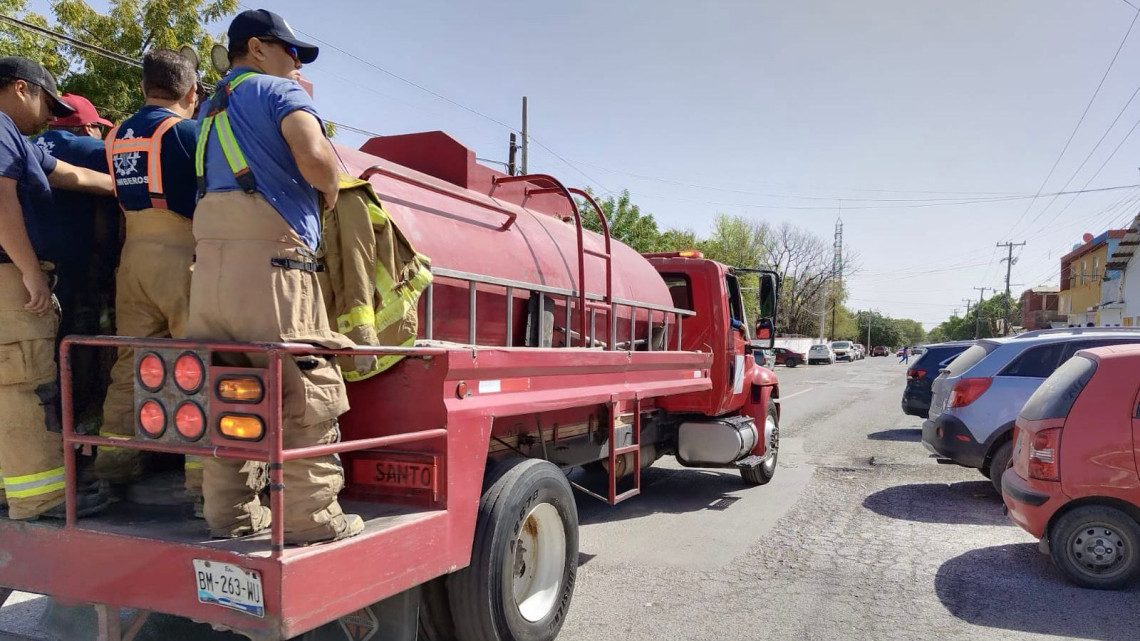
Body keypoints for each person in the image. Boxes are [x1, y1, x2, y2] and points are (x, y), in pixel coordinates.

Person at [190, 9, 362, 543]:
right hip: (273, 268)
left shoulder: (209, 109)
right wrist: (330, 188)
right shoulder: (276, 92)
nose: (295, 64)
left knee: (231, 391)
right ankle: (313, 521)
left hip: (211, 272)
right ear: (258, 48)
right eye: (291, 52)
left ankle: (232, 517)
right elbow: (313, 155)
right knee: (304, 386)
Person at [0, 56, 114, 519]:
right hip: (8, 277)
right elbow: (0, 202)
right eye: (48, 102)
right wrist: (29, 270)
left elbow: (70, 175)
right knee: (25, 386)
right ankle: (42, 497)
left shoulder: (20, 143)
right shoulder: (2, 129)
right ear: (21, 89)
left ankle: (10, 490)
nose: (52, 116)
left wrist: (128, 186)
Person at [95, 49, 204, 506]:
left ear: (143, 88)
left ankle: (112, 467)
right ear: (191, 93)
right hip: (178, 253)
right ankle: (204, 483)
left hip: (132, 257)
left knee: (130, 364)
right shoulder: (186, 132)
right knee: (199, 365)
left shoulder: (116, 135)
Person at [31, 95, 116, 429]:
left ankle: (49, 429)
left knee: (42, 361)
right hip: (77, 275)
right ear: (88, 126)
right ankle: (77, 430)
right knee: (78, 354)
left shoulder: (25, 146)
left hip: (28, 273)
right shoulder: (92, 151)